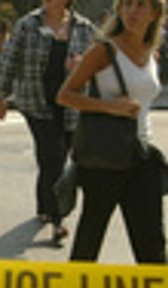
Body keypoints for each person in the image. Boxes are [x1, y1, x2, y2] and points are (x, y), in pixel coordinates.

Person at [57, 0, 165, 263]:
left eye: (141, 5)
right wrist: (110, 107)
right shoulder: (104, 50)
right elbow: (65, 95)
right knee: (89, 241)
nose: (132, 11)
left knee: (151, 244)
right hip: (105, 159)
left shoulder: (151, 52)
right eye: (127, 4)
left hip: (142, 155)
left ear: (155, 13)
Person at [0, 0, 96, 244]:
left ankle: (45, 206)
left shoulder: (84, 27)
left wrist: (82, 64)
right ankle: (59, 219)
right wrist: (0, 96)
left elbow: (99, 63)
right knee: (54, 157)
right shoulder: (28, 24)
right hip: (36, 103)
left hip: (70, 104)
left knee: (51, 158)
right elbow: (9, 60)